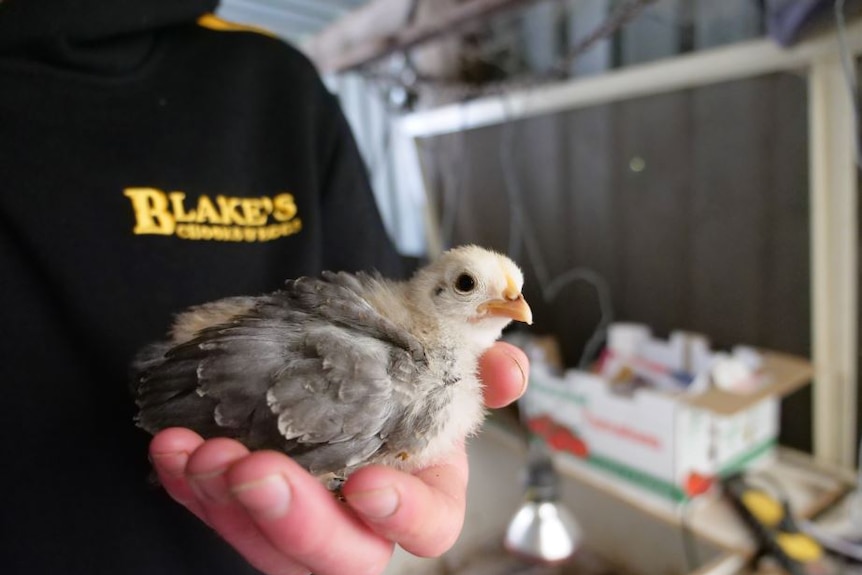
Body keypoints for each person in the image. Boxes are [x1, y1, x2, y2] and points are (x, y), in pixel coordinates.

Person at [0, 1, 529, 574]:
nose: (507, 303)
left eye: (506, 293)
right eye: (470, 285)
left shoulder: (276, 84)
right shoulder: (375, 383)